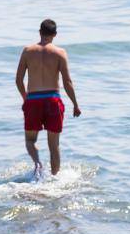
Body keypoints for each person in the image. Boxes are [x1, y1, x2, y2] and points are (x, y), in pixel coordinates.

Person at [15, 18, 81, 176]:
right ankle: (55, 179)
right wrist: (75, 104)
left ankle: (38, 164)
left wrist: (26, 98)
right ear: (55, 34)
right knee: (54, 145)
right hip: (52, 99)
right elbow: (67, 82)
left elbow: (18, 80)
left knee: (30, 141)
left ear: (40, 32)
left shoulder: (27, 51)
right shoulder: (60, 53)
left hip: (33, 100)